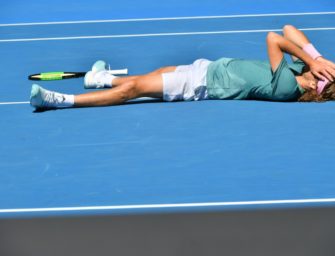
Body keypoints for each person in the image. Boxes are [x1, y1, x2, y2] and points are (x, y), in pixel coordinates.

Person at [30, 24, 335, 110]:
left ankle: (59, 102)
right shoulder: (299, 73)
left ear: (314, 83)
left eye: (321, 74)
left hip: (199, 85)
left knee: (133, 89)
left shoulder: (288, 85)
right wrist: (317, 57)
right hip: (206, 70)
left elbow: (274, 37)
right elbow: (290, 28)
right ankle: (99, 78)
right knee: (148, 77)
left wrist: (311, 61)